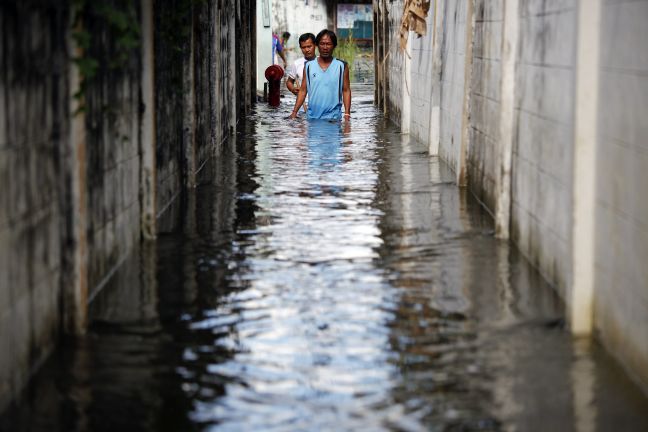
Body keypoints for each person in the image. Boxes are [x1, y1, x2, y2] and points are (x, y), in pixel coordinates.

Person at [289, 29, 351, 120]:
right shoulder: (308, 66)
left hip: (333, 119)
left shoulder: (342, 66)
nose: (325, 47)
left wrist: (347, 114)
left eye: (328, 44)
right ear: (317, 45)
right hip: (312, 118)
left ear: (334, 46)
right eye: (322, 44)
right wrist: (294, 113)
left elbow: (346, 90)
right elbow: (303, 91)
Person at [286, 33, 317, 111]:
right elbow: (289, 82)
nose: (306, 50)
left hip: (319, 106)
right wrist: (293, 89)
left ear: (315, 45)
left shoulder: (323, 63)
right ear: (300, 48)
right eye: (303, 47)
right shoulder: (297, 64)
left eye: (309, 46)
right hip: (302, 106)